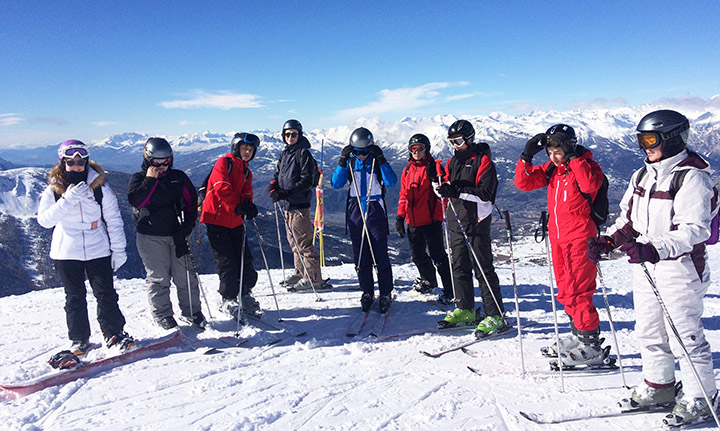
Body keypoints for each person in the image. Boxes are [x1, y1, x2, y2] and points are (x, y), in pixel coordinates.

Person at [588, 110, 718, 426]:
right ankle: (659, 386)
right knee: (648, 330)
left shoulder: (692, 178)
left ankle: (701, 397)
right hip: (647, 264)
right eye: (640, 140)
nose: (644, 147)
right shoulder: (642, 175)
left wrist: (654, 248)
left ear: (672, 138)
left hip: (681, 266)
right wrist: (609, 241)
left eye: (649, 140)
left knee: (683, 335)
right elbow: (629, 220)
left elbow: (694, 230)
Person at [514, 124, 607, 365]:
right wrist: (526, 156)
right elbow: (523, 183)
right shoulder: (552, 170)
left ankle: (591, 344)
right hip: (558, 238)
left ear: (569, 146)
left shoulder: (587, 167)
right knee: (566, 289)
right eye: (549, 153)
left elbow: (589, 185)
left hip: (580, 238)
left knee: (580, 290)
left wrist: (574, 157)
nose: (553, 157)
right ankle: (578, 335)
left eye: (557, 151)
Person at [37, 140, 134, 354]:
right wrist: (67, 200)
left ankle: (113, 333)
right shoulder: (54, 190)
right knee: (74, 297)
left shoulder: (100, 187)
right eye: (70, 162)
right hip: (66, 250)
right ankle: (79, 339)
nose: (76, 167)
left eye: (80, 162)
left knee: (106, 293)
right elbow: (44, 220)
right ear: (63, 163)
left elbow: (114, 220)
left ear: (87, 162)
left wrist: (118, 250)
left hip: (97, 246)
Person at [128, 137, 205, 330]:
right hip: (150, 236)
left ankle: (192, 312)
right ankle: (163, 315)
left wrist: (186, 227)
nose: (162, 166)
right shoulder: (139, 179)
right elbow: (137, 201)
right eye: (156, 162)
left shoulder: (177, 177)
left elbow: (190, 202)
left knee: (186, 276)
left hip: (176, 233)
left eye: (166, 161)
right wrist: (150, 179)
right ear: (147, 158)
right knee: (159, 277)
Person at [435, 120, 505, 334]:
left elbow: (486, 194)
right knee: (459, 267)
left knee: (483, 269)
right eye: (451, 142)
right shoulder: (452, 162)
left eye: (457, 141)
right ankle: (465, 308)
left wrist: (456, 190)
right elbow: (448, 185)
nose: (455, 146)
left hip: (476, 223)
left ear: (469, 138)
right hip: (456, 220)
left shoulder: (483, 162)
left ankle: (495, 314)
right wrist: (441, 188)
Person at [331, 127, 397, 313]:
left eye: (364, 152)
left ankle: (385, 292)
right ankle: (366, 291)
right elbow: (336, 183)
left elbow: (391, 182)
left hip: (375, 208)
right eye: (357, 152)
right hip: (356, 209)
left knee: (380, 252)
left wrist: (382, 160)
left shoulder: (375, 163)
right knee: (360, 255)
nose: (361, 156)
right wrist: (342, 162)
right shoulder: (351, 164)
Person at [200, 133, 260, 319]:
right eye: (244, 148)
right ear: (236, 148)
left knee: (244, 258)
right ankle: (228, 299)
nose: (248, 151)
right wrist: (238, 206)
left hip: (235, 220)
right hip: (216, 219)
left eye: (251, 149)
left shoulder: (246, 171)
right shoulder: (224, 163)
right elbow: (221, 186)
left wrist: (248, 204)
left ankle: (244, 294)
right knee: (227, 261)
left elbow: (246, 190)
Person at [268, 119, 325, 291]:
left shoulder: (303, 153)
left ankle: (313, 278)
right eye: (287, 134)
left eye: (294, 134)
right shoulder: (285, 154)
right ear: (283, 136)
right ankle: (300, 273)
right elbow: (279, 173)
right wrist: (274, 186)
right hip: (287, 205)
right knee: (294, 243)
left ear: (299, 135)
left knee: (304, 243)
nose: (290, 137)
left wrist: (286, 192)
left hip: (299, 205)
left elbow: (307, 180)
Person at [396, 134, 453, 302]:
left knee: (439, 257)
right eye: (413, 149)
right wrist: (400, 216)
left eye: (420, 148)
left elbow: (442, 197)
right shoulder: (407, 170)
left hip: (430, 222)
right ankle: (429, 281)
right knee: (418, 256)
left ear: (426, 149)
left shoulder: (434, 168)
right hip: (413, 222)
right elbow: (403, 195)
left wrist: (437, 217)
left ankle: (451, 290)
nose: (416, 152)